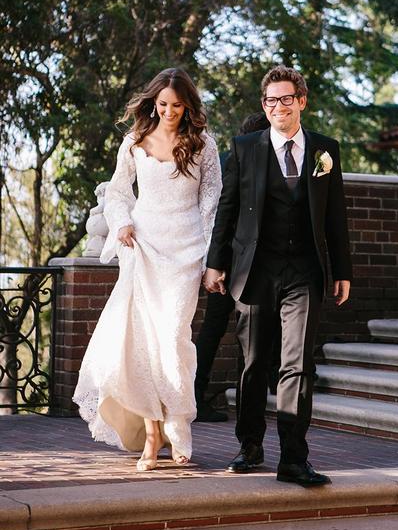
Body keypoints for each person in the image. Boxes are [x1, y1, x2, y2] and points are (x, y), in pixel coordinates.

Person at [203, 65, 352, 488]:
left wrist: (342, 269)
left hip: (304, 270)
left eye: (286, 99)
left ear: (302, 101)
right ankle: (250, 446)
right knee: (252, 363)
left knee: (297, 365)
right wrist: (216, 262)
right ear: (263, 105)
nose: (278, 107)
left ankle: (293, 458)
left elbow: (336, 216)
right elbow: (226, 210)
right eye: (270, 100)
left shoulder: (326, 150)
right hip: (255, 270)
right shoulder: (245, 148)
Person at [74, 68, 222, 471]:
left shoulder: (204, 145)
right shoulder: (134, 142)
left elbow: (211, 205)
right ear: (153, 103)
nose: (170, 112)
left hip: (186, 250)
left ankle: (180, 423)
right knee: (142, 342)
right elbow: (119, 192)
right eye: (163, 105)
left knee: (173, 337)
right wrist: (121, 222)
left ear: (188, 105)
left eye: (177, 105)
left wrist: (212, 260)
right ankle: (153, 433)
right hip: (143, 247)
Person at [195, 112, 270, 423]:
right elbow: (222, 214)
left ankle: (200, 398)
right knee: (231, 332)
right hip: (231, 262)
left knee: (219, 330)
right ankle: (203, 399)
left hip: (231, 260)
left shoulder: (232, 156)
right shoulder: (238, 161)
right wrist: (218, 264)